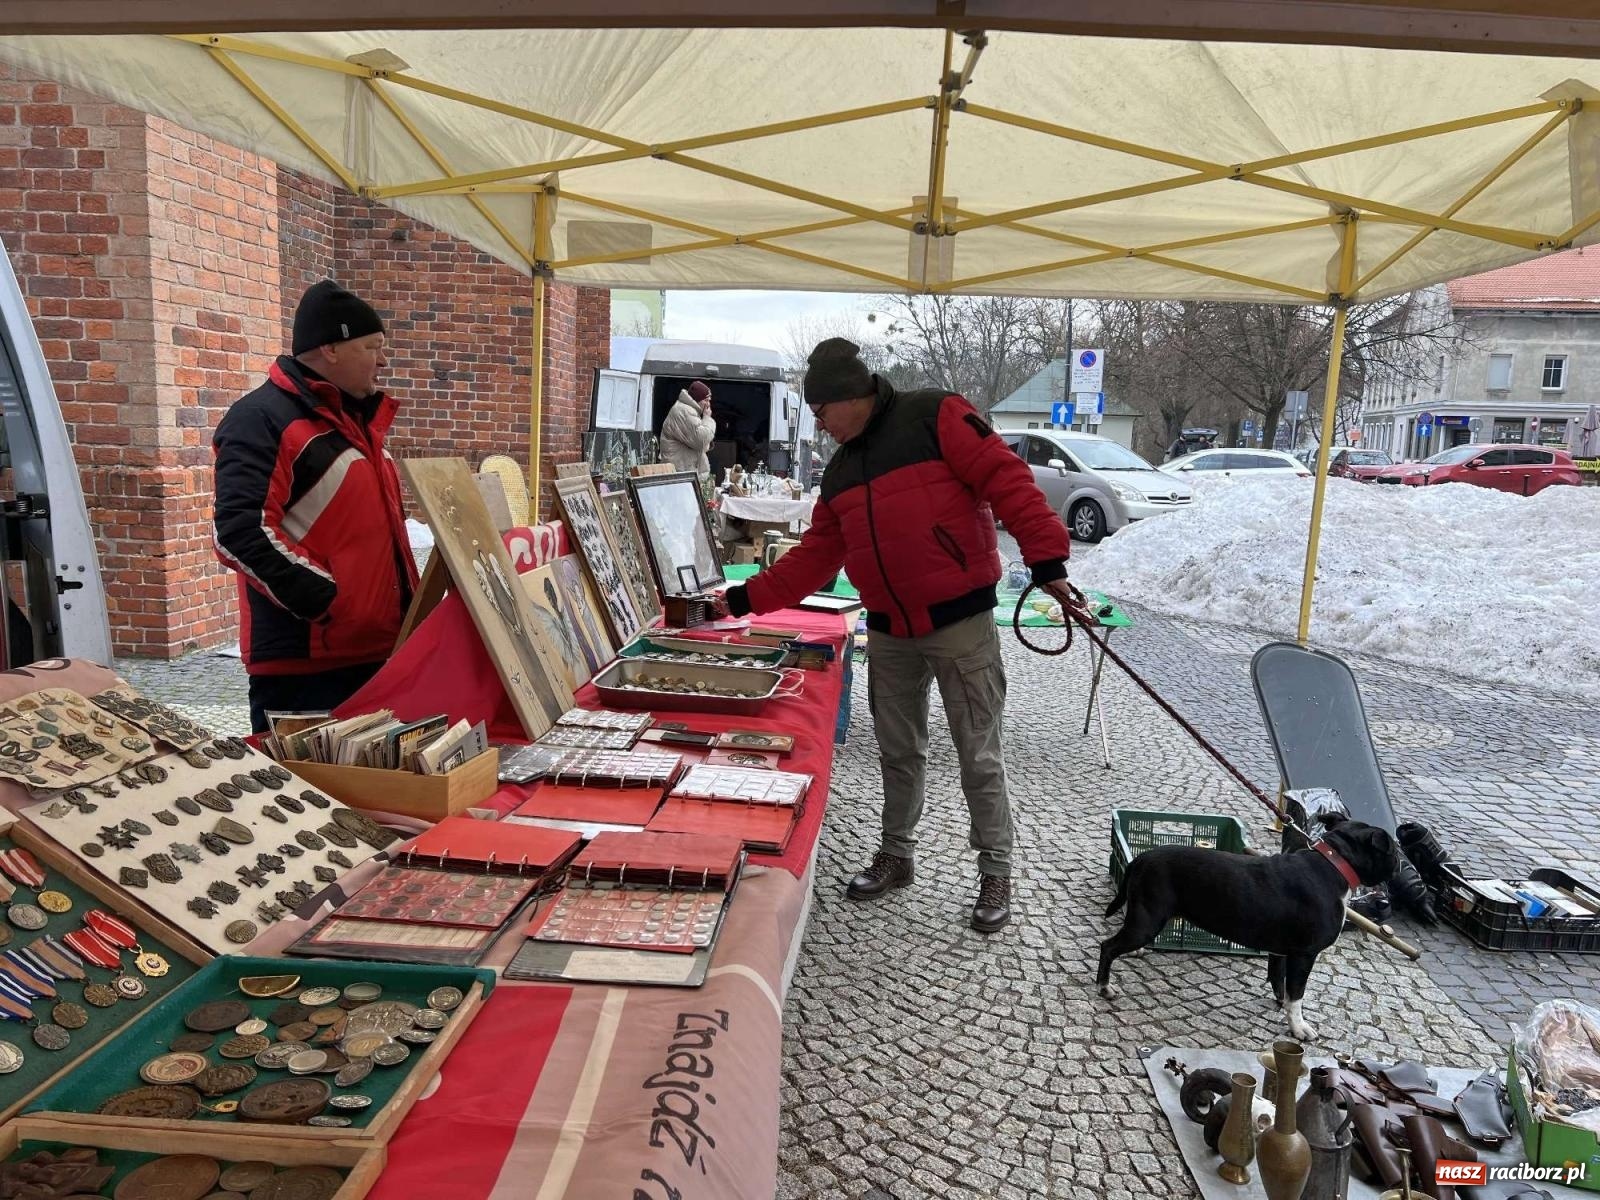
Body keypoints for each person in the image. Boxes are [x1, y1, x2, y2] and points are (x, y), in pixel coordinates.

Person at [720, 338, 1077, 934]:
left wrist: (1048, 563)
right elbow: (812, 561)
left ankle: (996, 870)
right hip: (888, 629)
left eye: (821, 411)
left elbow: (1007, 479)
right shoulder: (838, 472)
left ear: (849, 398)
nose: (818, 423)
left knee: (978, 754)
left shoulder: (935, 414)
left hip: (960, 623)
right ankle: (897, 853)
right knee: (898, 752)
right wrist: (740, 600)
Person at [213, 280, 419, 733]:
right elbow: (239, 531)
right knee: (307, 797)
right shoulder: (262, 418)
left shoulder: (358, 422)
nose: (382, 361)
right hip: (305, 665)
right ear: (331, 348)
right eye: (373, 347)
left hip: (373, 653)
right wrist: (328, 602)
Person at [660, 380, 717, 476]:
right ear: (697, 399)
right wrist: (707, 418)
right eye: (706, 400)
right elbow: (701, 441)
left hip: (684, 472)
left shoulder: (689, 410)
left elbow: (702, 444)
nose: (708, 405)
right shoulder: (684, 411)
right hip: (680, 474)